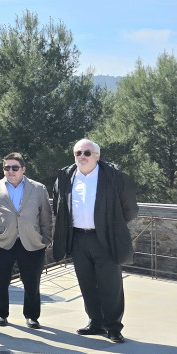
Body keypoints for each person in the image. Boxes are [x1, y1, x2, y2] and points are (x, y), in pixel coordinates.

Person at [52, 138, 138, 343]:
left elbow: (130, 209)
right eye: (78, 153)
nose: (82, 156)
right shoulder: (65, 176)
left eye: (87, 153)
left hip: (105, 238)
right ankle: (95, 322)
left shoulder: (114, 177)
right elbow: (58, 204)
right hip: (77, 237)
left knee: (110, 284)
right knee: (87, 282)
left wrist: (113, 225)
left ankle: (114, 327)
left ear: (97, 156)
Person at [0, 152, 52, 329]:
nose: (10, 171)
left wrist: (46, 240)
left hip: (32, 242)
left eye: (14, 167)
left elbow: (45, 217)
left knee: (32, 282)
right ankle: (1, 314)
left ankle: (32, 316)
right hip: (0, 242)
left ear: (23, 169)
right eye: (7, 167)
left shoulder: (39, 188)